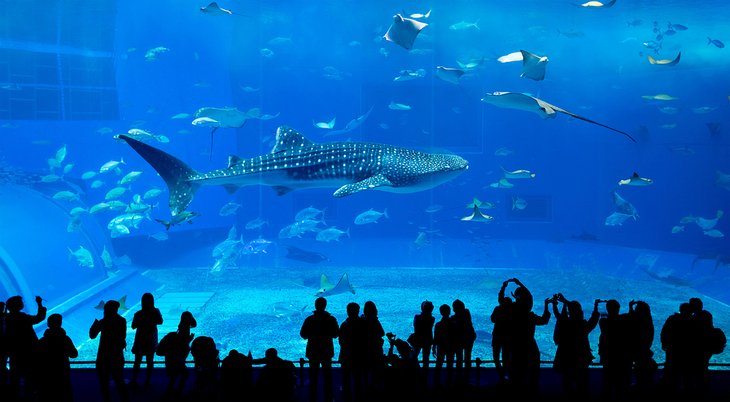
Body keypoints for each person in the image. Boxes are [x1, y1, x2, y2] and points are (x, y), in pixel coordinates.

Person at [504, 278, 550, 398]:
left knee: (516, 369)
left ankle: (516, 390)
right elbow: (544, 320)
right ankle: (532, 390)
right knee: (533, 368)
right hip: (529, 344)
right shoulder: (529, 316)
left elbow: (526, 298)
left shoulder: (511, 312)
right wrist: (546, 306)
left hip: (515, 345)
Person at [551, 294, 599, 399]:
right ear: (580, 311)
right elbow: (593, 320)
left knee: (567, 379)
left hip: (566, 356)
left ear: (569, 311)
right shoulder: (583, 325)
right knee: (582, 380)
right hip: (581, 357)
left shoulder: (565, 323)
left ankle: (569, 396)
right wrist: (595, 307)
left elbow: (558, 315)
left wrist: (559, 303)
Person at [5, 295, 47, 400]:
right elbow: (39, 318)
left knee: (15, 378)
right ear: (18, 305)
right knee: (31, 378)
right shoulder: (23, 317)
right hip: (29, 352)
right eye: (21, 302)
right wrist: (39, 304)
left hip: (14, 353)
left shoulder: (6, 318)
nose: (23, 303)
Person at [299, 296, 339, 402]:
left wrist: (313, 334)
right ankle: (329, 398)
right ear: (325, 306)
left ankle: (313, 398)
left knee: (313, 377)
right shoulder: (331, 319)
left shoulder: (309, 319)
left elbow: (303, 334)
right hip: (327, 351)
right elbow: (336, 334)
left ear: (315, 306)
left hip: (313, 351)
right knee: (328, 377)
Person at [89, 300, 129, 402]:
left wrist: (94, 325)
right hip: (117, 356)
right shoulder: (122, 321)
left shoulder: (102, 322)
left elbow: (92, 336)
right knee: (119, 380)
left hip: (103, 356)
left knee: (104, 383)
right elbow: (123, 336)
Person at [37, 313, 78, 402]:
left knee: (47, 394)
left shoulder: (43, 340)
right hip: (62, 369)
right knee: (65, 393)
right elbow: (74, 354)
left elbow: (36, 355)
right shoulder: (65, 339)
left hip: (47, 371)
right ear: (60, 324)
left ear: (48, 324)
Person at [157, 311, 197, 397]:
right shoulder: (186, 329)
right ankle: (177, 393)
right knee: (182, 375)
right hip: (176, 358)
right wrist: (188, 340)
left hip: (174, 358)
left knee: (174, 377)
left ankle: (171, 393)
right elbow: (181, 344)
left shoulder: (181, 329)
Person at [597, 299, 631, 400]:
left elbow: (603, 317)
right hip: (622, 357)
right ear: (618, 308)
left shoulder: (603, 322)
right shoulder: (624, 319)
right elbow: (630, 315)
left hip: (608, 356)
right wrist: (630, 307)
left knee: (607, 383)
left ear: (607, 309)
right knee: (621, 385)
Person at [130, 292, 163, 388]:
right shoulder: (155, 311)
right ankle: (147, 381)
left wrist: (143, 321)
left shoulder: (139, 313)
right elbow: (160, 321)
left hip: (141, 339)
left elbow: (133, 326)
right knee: (149, 361)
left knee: (138, 361)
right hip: (150, 339)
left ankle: (135, 380)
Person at [339, 302, 363, 402]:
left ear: (347, 311)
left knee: (346, 381)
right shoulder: (363, 324)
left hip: (346, 356)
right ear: (358, 311)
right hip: (359, 356)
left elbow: (341, 341)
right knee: (358, 381)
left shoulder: (344, 325)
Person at [360, 300, 385, 394]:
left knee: (364, 372)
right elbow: (382, 333)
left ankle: (365, 390)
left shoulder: (361, 320)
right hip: (375, 350)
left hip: (364, 350)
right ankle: (375, 391)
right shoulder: (374, 320)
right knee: (376, 371)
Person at [451, 299, 476, 386]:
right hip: (469, 338)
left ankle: (459, 377)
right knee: (467, 357)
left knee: (459, 358)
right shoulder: (467, 313)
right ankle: (466, 377)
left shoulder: (454, 318)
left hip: (460, 340)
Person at [492, 280, 513, 382]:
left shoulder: (498, 308)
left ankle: (501, 373)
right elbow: (500, 298)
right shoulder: (512, 310)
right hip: (508, 336)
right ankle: (506, 373)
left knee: (496, 355)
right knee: (506, 356)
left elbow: (492, 319)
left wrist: (503, 287)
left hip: (497, 335)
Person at [432, 303, 455, 388]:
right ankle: (449, 382)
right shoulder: (453, 323)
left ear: (441, 312)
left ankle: (436, 382)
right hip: (451, 347)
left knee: (439, 364)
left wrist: (434, 347)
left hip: (441, 347)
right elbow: (454, 336)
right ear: (449, 312)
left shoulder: (438, 324)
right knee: (450, 364)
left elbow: (435, 337)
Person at [411, 301, 435, 370]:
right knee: (426, 358)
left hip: (417, 339)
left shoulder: (417, 317)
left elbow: (415, 327)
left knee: (414, 357)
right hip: (427, 340)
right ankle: (425, 373)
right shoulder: (432, 318)